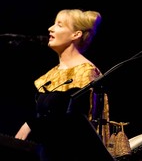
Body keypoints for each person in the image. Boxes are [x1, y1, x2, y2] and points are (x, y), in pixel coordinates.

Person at [14, 9, 111, 161]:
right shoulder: (51, 75)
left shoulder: (86, 73)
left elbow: (73, 122)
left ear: (76, 34)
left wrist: (31, 125)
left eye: (59, 25)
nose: (50, 29)